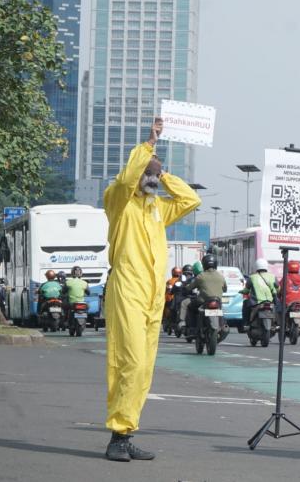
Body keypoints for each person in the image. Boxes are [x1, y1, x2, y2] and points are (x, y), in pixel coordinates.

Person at [102, 117, 200, 462]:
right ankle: (117, 434)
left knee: (144, 367)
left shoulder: (158, 208)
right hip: (127, 289)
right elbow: (128, 178)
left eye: (155, 176)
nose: (152, 180)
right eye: (149, 174)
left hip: (153, 296)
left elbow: (189, 200)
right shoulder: (118, 202)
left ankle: (127, 434)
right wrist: (149, 146)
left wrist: (163, 172)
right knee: (128, 359)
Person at [183, 254, 227, 333]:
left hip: (202, 301)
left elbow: (190, 287)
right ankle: (222, 325)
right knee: (221, 310)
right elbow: (225, 289)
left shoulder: (200, 276)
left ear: (204, 265)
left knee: (189, 306)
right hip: (217, 301)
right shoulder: (221, 276)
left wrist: (186, 287)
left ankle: (192, 327)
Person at [241, 258, 278, 325]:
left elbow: (246, 290)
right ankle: (277, 323)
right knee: (278, 307)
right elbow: (277, 289)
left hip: (256, 303)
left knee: (245, 303)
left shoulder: (252, 277)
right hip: (269, 301)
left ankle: (246, 324)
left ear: (256, 266)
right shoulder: (272, 277)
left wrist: (242, 291)